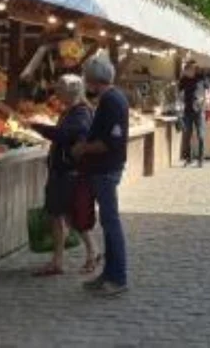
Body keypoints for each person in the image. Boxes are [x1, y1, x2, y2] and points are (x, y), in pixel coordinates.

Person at [28, 74, 98, 276]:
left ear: (70, 92)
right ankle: (72, 256)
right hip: (65, 170)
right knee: (66, 215)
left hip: (67, 172)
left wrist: (37, 127)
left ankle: (83, 254)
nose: (56, 94)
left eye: (59, 90)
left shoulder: (80, 113)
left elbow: (65, 135)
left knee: (63, 215)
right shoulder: (73, 111)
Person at [72, 57, 129, 298]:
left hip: (106, 169)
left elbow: (110, 142)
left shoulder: (111, 101)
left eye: (86, 76)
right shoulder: (110, 98)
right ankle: (108, 274)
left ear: (93, 79)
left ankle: (117, 277)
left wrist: (83, 148)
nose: (85, 81)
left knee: (111, 223)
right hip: (104, 169)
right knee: (107, 224)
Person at [179, 60, 210, 167]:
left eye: (187, 70)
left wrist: (206, 98)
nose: (186, 72)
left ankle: (201, 159)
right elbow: (178, 92)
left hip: (199, 110)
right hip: (187, 111)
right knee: (187, 135)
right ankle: (189, 159)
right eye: (185, 70)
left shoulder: (201, 78)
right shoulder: (184, 79)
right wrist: (179, 103)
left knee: (200, 135)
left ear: (192, 69)